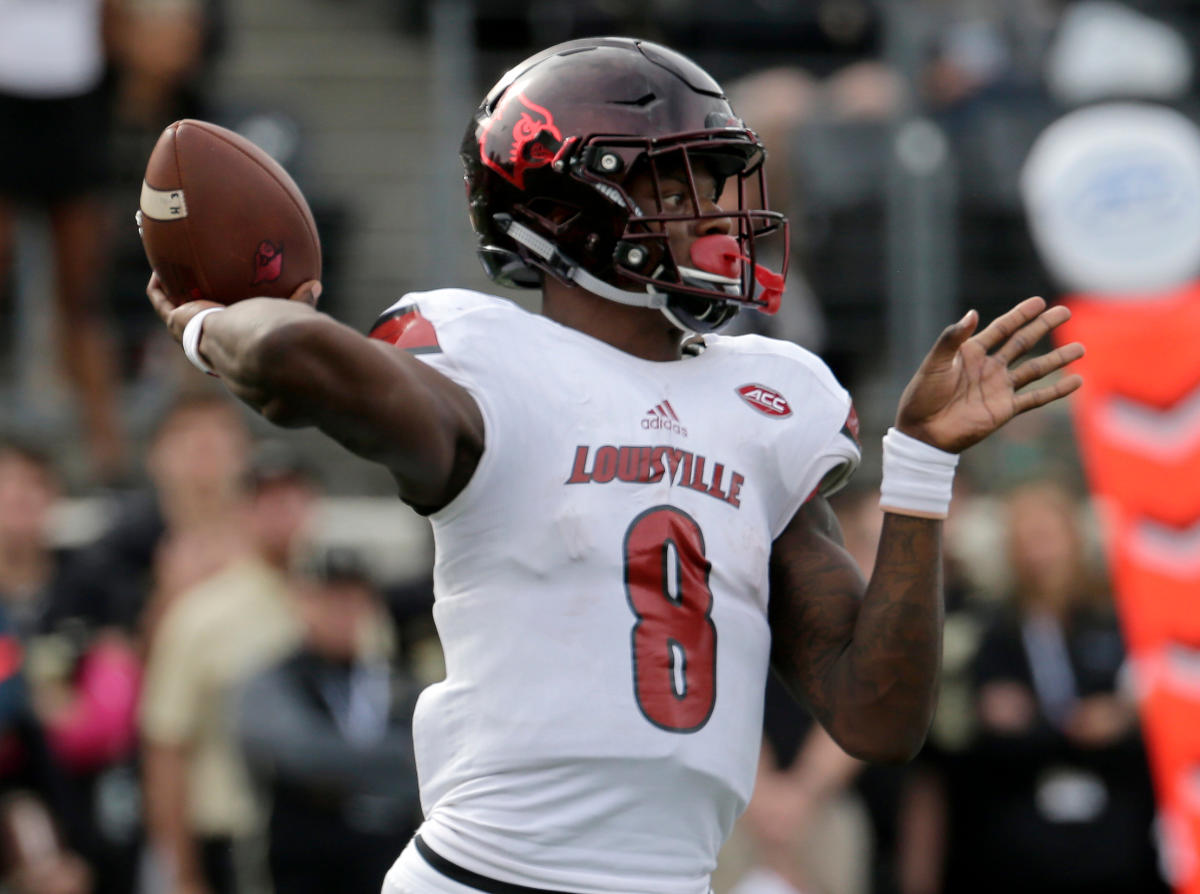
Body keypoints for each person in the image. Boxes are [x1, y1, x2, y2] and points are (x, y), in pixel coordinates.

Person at [143, 37, 1084, 894]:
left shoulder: (766, 396)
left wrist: (919, 468)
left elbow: (877, 717)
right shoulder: (483, 364)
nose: (723, 211)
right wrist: (207, 327)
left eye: (722, 180)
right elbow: (283, 358)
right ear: (572, 205)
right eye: (684, 184)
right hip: (488, 877)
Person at [139, 445, 316, 894]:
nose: (284, 513)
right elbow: (165, 745)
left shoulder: (343, 606)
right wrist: (183, 873)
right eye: (267, 499)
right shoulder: (202, 614)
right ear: (243, 510)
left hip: (329, 838)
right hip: (232, 839)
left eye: (295, 497)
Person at [237, 548, 418, 894]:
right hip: (307, 856)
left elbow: (432, 756)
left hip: (388, 853)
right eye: (328, 599)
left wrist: (349, 766)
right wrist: (392, 765)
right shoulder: (274, 680)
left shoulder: (395, 681)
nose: (341, 613)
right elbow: (301, 752)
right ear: (301, 603)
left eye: (352, 599)